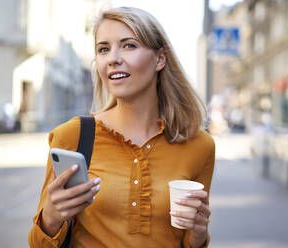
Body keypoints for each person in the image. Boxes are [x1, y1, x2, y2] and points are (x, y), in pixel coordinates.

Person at [28, 7, 215, 248]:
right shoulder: (72, 136)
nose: (113, 58)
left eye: (128, 45)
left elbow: (190, 242)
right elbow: (37, 243)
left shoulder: (199, 145)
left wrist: (199, 236)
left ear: (160, 59)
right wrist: (52, 217)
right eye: (103, 49)